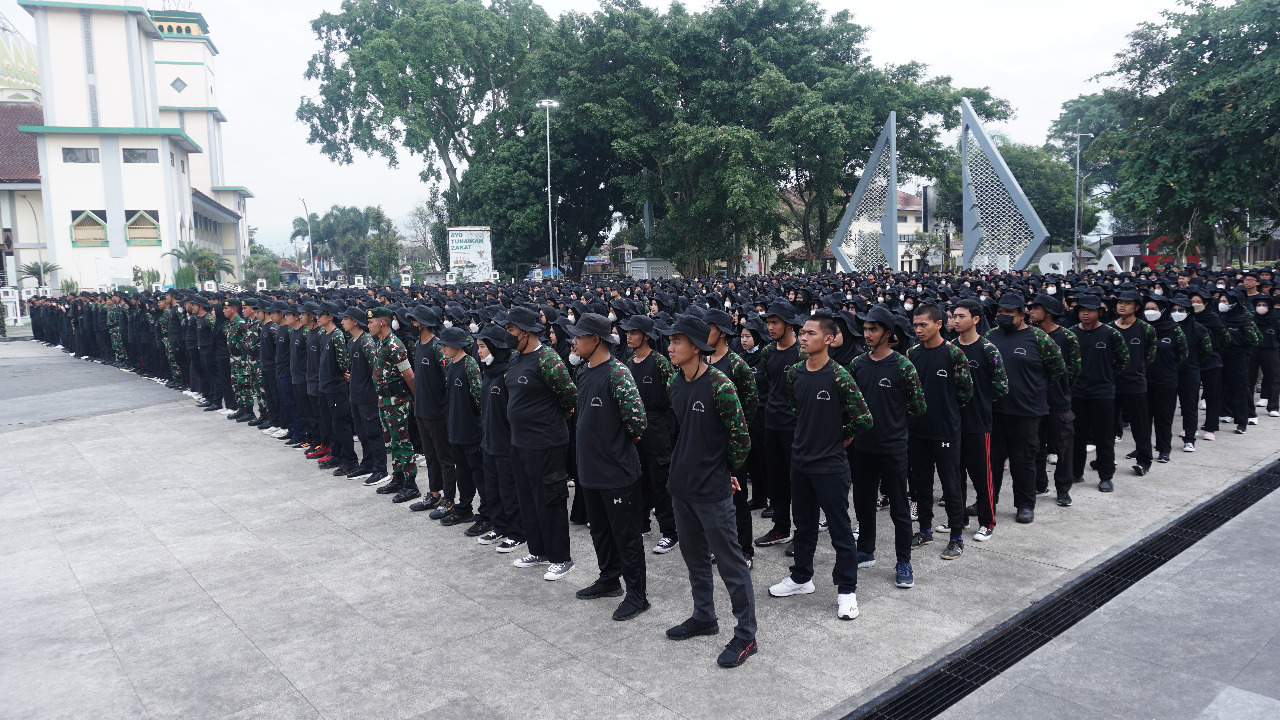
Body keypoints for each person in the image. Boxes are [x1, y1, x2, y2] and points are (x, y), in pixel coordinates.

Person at [662, 315, 757, 668]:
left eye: (677, 342)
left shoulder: (720, 385)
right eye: (670, 341)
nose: (670, 348)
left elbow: (741, 439)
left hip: (711, 489)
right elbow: (687, 431)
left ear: (697, 347)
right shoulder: (676, 384)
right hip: (681, 485)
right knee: (694, 558)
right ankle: (704, 616)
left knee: (731, 563)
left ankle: (746, 635)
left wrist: (725, 472)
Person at [767, 312, 872, 620]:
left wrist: (843, 437)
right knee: (804, 525)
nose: (803, 337)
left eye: (811, 333)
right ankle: (801, 577)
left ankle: (846, 591)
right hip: (800, 462)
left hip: (830, 466)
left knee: (840, 531)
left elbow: (864, 418)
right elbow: (797, 409)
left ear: (828, 339)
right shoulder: (795, 372)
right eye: (802, 332)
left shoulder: (839, 375)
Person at [567, 313, 651, 620]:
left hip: (617, 472)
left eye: (579, 336)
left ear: (596, 340)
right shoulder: (585, 372)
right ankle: (608, 579)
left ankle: (638, 595)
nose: (573, 341)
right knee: (600, 531)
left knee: (625, 535)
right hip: (589, 471)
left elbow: (638, 422)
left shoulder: (617, 373)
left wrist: (612, 445)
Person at [849, 305, 925, 588]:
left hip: (893, 448)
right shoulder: (858, 364)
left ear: (888, 333)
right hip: (864, 447)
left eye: (874, 329)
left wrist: (893, 424)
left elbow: (918, 406)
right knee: (863, 503)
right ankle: (865, 550)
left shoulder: (903, 366)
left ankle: (903, 561)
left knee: (899, 508)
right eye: (866, 329)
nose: (867, 334)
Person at [502, 306, 579, 581]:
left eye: (510, 330)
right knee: (527, 499)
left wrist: (560, 413)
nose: (507, 334)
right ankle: (538, 550)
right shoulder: (515, 358)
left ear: (525, 332)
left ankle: (561, 558)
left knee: (551, 500)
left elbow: (569, 394)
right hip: (519, 443)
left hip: (546, 442)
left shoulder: (547, 358)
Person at [985, 291, 1065, 523]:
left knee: (1023, 460)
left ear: (1022, 314)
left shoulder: (1038, 338)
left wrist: (1035, 388)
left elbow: (1057, 368)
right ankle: (989, 501)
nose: (1003, 316)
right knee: (992, 461)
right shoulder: (991, 335)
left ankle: (1025, 505)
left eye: (1009, 312)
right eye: (1000, 312)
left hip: (1027, 412)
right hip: (995, 410)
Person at [905, 303, 973, 559]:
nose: (918, 329)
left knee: (951, 485)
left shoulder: (954, 354)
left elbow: (965, 392)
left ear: (939, 324)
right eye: (915, 325)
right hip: (918, 431)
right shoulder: (912, 354)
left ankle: (956, 537)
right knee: (920, 484)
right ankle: (924, 529)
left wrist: (946, 412)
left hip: (945, 431)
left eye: (923, 324)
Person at [704, 308, 760, 568]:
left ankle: (744, 550)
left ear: (723, 333)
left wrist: (738, 433)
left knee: (737, 500)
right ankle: (719, 546)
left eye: (710, 329)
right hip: (707, 442)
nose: (705, 334)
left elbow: (750, 402)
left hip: (732, 443)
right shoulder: (703, 361)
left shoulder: (737, 365)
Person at [619, 313, 678, 554]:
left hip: (657, 426)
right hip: (635, 427)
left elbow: (674, 394)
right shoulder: (629, 363)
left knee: (660, 479)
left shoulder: (660, 362)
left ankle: (670, 532)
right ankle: (642, 523)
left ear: (645, 336)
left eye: (633, 333)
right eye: (628, 332)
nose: (629, 336)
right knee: (638, 477)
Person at [950, 299, 1007, 542]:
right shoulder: (950, 348)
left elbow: (1001, 386)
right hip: (953, 423)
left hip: (978, 423)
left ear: (975, 319)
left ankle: (987, 521)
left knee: (982, 476)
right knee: (955, 475)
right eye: (954, 316)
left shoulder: (988, 349)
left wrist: (981, 402)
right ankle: (958, 518)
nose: (956, 320)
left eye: (961, 316)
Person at [1068, 293, 1129, 491]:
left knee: (1104, 437)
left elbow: (1122, 360)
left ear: (1100, 312)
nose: (1086, 314)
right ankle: (1076, 472)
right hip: (1077, 393)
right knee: (1077, 436)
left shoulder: (1111, 334)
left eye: (1091, 310)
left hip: (1102, 393)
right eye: (1082, 310)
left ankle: (1105, 476)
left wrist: (1106, 376)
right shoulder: (1070, 334)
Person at [754, 299, 802, 549]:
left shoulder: (802, 353)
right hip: (771, 424)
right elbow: (768, 385)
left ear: (789, 325)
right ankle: (781, 528)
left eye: (775, 322)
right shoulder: (767, 352)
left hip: (794, 427)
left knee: (800, 483)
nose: (770, 327)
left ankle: (802, 533)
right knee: (777, 480)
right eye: (769, 323)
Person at [474, 323, 524, 553]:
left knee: (509, 491)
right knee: (492, 489)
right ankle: (499, 526)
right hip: (489, 442)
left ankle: (517, 532)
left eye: (483, 346)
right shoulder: (488, 373)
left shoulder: (507, 374)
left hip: (505, 445)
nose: (479, 351)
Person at [1028, 293, 1080, 507]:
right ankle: (1040, 484)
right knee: (1035, 447)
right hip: (1033, 401)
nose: (1030, 312)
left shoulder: (1067, 337)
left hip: (1059, 402)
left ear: (1048, 313)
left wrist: (1060, 389)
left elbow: (1074, 370)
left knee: (1063, 448)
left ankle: (1063, 490)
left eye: (1035, 309)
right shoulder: (1029, 335)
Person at [434, 326, 485, 528]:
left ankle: (486, 514)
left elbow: (479, 399)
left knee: (478, 474)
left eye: (446, 344)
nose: (443, 348)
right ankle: (464, 509)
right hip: (455, 429)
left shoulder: (469, 364)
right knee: (462, 473)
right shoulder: (451, 365)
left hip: (471, 431)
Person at [407, 305, 456, 514]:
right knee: (430, 456)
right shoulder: (418, 345)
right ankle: (434, 494)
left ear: (424, 324)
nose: (412, 324)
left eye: (415, 321)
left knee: (444, 457)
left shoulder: (437, 347)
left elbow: (449, 377)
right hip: (421, 410)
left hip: (437, 413)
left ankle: (449, 499)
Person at [367, 306, 418, 497]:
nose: (368, 325)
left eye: (371, 322)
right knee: (391, 442)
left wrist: (414, 400)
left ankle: (411, 484)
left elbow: (410, 377)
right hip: (385, 401)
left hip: (397, 402)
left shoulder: (395, 345)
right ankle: (398, 478)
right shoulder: (380, 343)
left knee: (402, 442)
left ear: (382, 322)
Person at [1112, 290, 1157, 475]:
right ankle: (1105, 460)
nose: (1122, 306)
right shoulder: (1108, 328)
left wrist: (1135, 370)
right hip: (1112, 384)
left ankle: (1144, 460)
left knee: (1140, 426)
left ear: (1136, 307)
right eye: (1120, 302)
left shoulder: (1146, 329)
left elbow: (1150, 357)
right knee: (1107, 425)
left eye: (1128, 303)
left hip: (1135, 384)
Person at [342, 306, 387, 484]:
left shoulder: (366, 341)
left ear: (354, 321)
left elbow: (376, 369)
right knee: (362, 433)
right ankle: (367, 464)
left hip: (367, 397)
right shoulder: (352, 341)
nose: (342, 322)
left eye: (345, 319)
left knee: (373, 434)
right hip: (356, 395)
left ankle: (380, 469)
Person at [1143, 296, 1187, 463]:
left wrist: (1169, 367)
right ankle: (1143, 449)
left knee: (1163, 417)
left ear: (1162, 310)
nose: (1150, 312)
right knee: (1143, 418)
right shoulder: (1142, 328)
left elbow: (1183, 354)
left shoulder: (1174, 329)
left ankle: (1164, 449)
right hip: (1144, 380)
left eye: (1153, 309)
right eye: (1147, 308)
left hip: (1166, 380)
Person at [317, 302, 359, 475]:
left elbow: (343, 363)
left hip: (336, 388)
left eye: (321, 315)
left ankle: (350, 460)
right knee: (330, 425)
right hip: (324, 387)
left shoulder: (337, 336)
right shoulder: (323, 335)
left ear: (330, 317)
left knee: (341, 425)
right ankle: (337, 453)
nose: (318, 318)